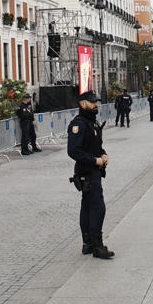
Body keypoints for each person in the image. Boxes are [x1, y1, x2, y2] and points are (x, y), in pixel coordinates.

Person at [68, 90, 112, 258]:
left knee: (87, 206)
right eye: (92, 102)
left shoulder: (90, 122)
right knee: (97, 207)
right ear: (82, 103)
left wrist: (103, 154)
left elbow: (95, 145)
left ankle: (87, 244)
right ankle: (97, 246)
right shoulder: (78, 124)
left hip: (93, 170)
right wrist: (95, 161)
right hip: (87, 171)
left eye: (96, 102)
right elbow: (73, 151)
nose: (96, 105)